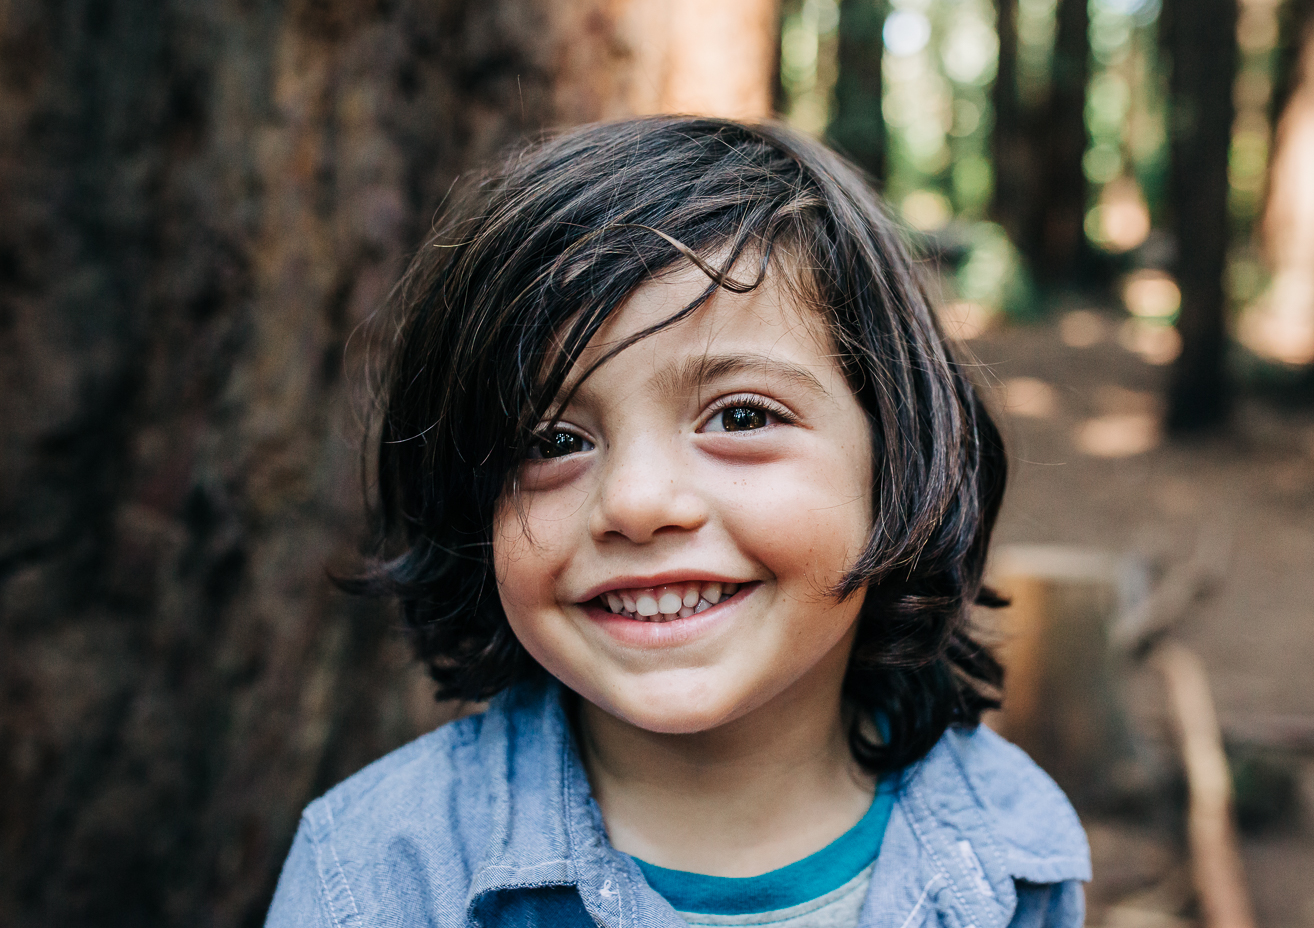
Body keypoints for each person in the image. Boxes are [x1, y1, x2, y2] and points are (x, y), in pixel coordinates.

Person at [266, 117, 1089, 928]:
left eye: (739, 418)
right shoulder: (376, 871)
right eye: (552, 441)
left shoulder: (1012, 853)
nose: (637, 504)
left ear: (900, 458)